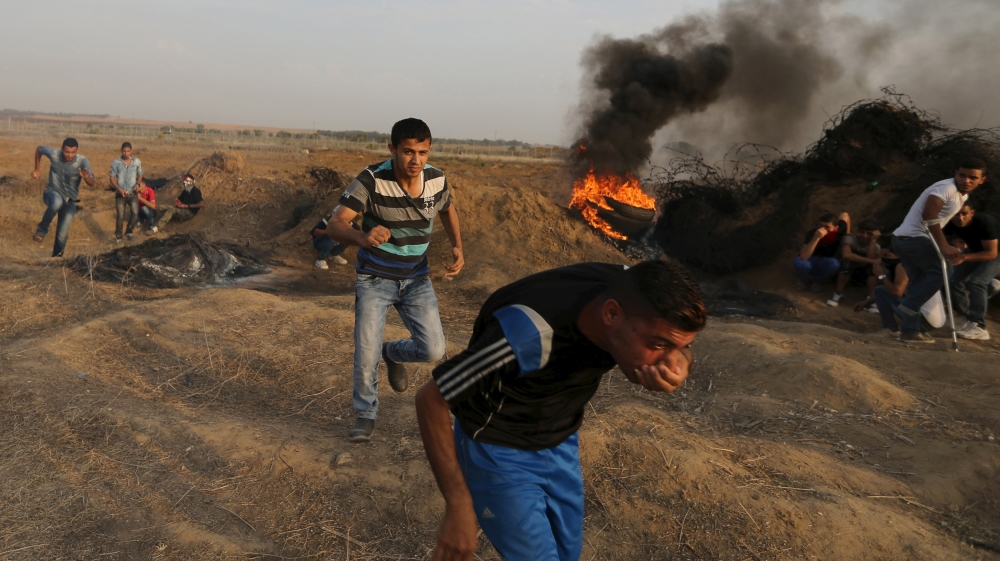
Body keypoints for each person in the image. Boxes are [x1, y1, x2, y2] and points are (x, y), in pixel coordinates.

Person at [415, 261, 705, 561]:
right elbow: (432, 399)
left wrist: (683, 359)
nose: (666, 361)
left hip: (561, 437)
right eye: (659, 345)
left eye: (680, 346)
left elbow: (675, 342)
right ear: (611, 314)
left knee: (567, 555)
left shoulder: (634, 288)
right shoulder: (528, 334)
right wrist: (458, 503)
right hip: (497, 449)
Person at [325, 118, 464, 442]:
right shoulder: (371, 179)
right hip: (375, 279)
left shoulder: (436, 180)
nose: (416, 160)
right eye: (408, 152)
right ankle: (366, 413)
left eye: (423, 152)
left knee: (433, 349)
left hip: (416, 278)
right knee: (366, 351)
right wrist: (361, 236)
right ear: (393, 149)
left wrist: (458, 245)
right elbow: (335, 224)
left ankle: (394, 353)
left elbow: (447, 209)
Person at [891, 159, 987, 343]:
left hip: (903, 240)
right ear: (955, 173)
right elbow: (929, 215)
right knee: (944, 271)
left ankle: (910, 332)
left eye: (972, 177)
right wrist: (943, 245)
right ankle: (908, 305)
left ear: (981, 180)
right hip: (914, 238)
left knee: (920, 282)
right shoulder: (946, 188)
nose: (966, 180)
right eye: (962, 175)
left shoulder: (962, 196)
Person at [943, 202, 1000, 340]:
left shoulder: (985, 223)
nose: (960, 218)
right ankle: (967, 318)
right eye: (956, 214)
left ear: (972, 213)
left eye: (964, 214)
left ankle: (979, 326)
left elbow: (992, 253)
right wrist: (947, 248)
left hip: (996, 253)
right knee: (954, 280)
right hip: (975, 250)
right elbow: (940, 238)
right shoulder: (951, 223)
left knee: (977, 281)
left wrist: (964, 257)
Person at [30, 138, 96, 257]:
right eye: (66, 152)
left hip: (70, 201)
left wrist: (86, 178)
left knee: (62, 234)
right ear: (62, 149)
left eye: (73, 152)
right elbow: (39, 149)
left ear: (77, 151)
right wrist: (37, 169)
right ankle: (41, 230)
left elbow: (92, 183)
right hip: (52, 192)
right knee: (56, 202)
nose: (69, 155)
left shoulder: (83, 161)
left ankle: (56, 259)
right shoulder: (54, 153)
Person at [869, 239, 948, 335]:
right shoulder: (914, 264)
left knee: (880, 290)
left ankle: (890, 328)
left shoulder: (902, 266)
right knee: (882, 290)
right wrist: (866, 302)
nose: (884, 260)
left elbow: (897, 292)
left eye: (887, 256)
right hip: (933, 321)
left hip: (923, 319)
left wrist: (881, 276)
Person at [827, 219, 880, 308]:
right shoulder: (850, 239)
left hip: (862, 276)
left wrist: (873, 241)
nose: (864, 236)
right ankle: (838, 293)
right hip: (844, 272)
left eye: (869, 234)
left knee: (874, 268)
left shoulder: (876, 246)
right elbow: (846, 255)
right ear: (857, 231)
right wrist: (872, 261)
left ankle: (871, 299)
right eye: (862, 232)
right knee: (847, 263)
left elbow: (871, 259)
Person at [794, 212, 851, 291]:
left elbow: (845, 215)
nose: (822, 229)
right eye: (820, 226)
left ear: (835, 227)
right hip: (810, 260)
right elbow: (803, 256)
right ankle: (803, 280)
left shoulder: (839, 232)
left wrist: (847, 235)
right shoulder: (812, 233)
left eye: (827, 227)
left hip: (825, 262)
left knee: (834, 264)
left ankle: (817, 282)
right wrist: (816, 238)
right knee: (800, 262)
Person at [109, 142, 143, 240]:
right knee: (120, 215)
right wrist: (119, 189)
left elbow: (140, 174)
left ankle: (129, 231)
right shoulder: (116, 163)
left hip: (133, 193)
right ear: (121, 151)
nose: (126, 153)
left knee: (135, 213)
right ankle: (118, 236)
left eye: (128, 151)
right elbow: (112, 178)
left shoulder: (137, 162)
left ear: (131, 151)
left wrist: (138, 184)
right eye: (124, 151)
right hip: (120, 194)